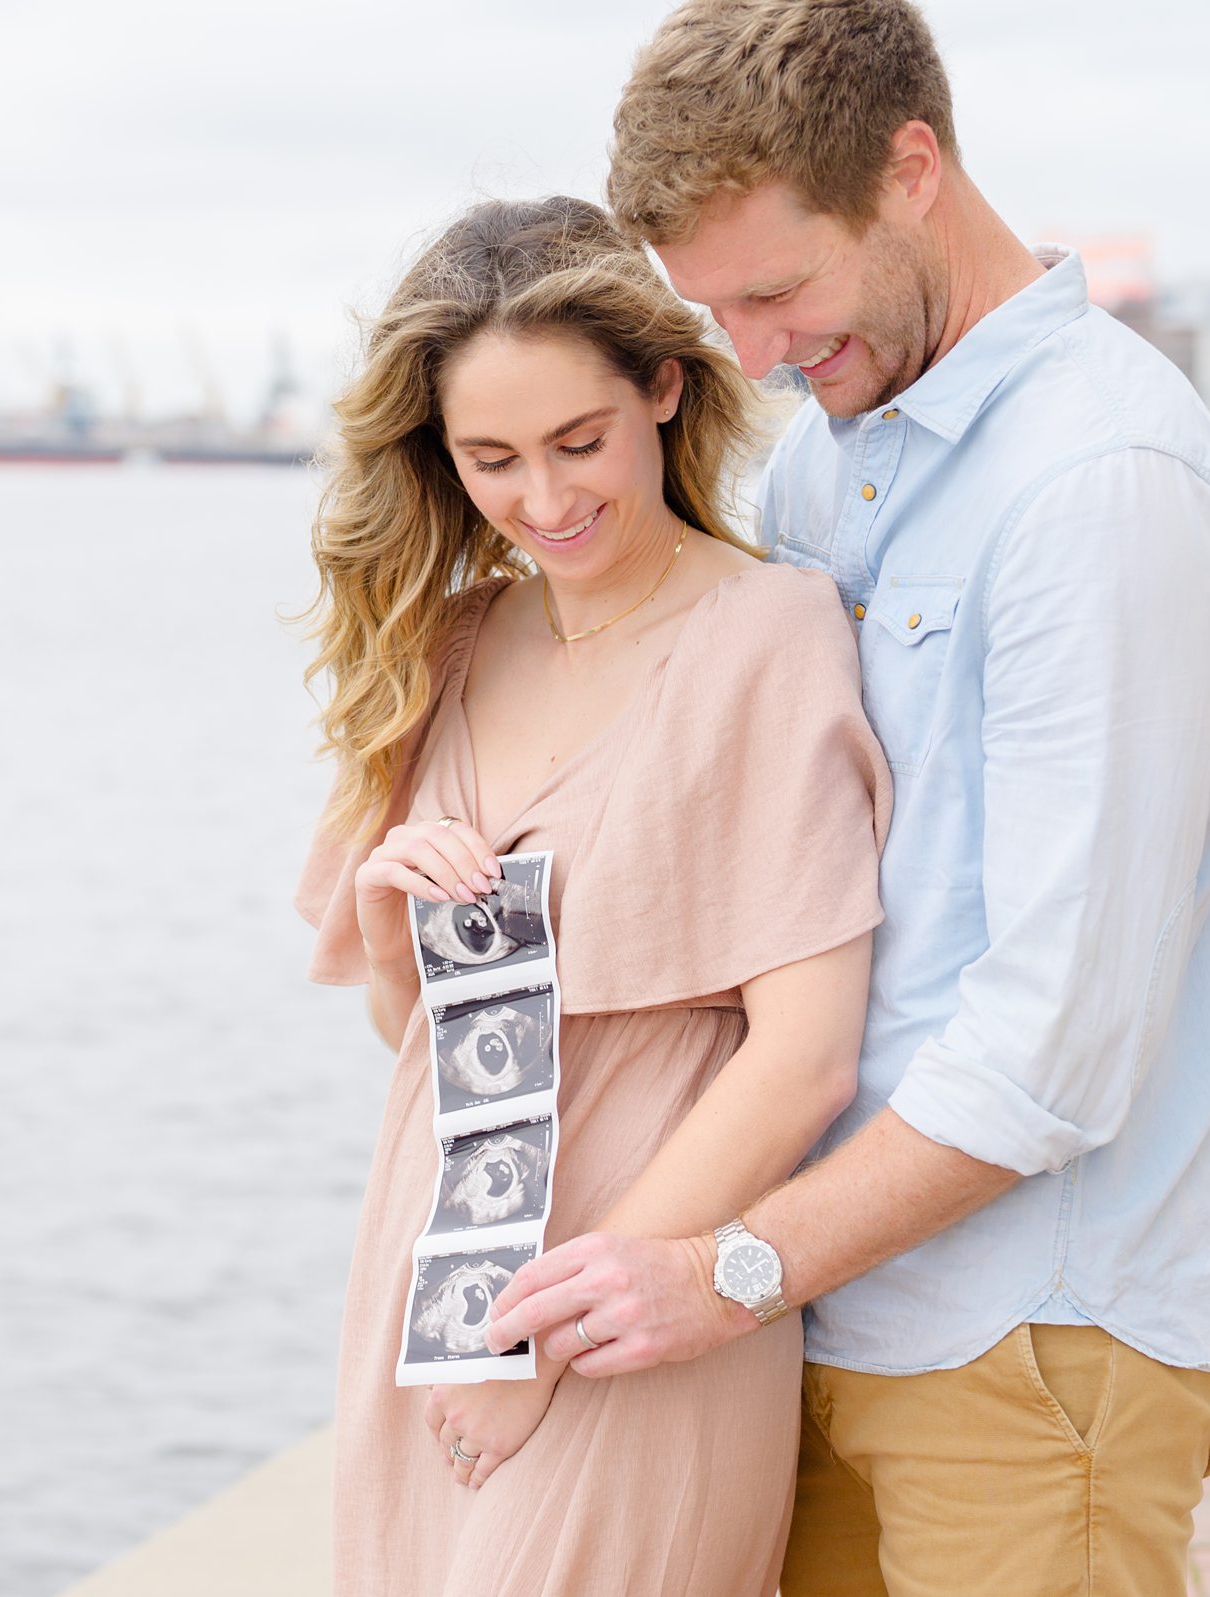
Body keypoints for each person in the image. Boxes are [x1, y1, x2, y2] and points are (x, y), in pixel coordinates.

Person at [484, 3, 1210, 1593]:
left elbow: (1060, 1045)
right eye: (719, 315)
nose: (761, 354)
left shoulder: (1101, 485)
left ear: (912, 169)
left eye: (779, 290)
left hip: (1032, 1339)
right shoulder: (823, 462)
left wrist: (728, 1266)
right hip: (816, 1310)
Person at [292, 194, 890, 1593]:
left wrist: (543, 1335)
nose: (546, 500)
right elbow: (423, 1053)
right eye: (491, 458)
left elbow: (803, 1059)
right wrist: (394, 925)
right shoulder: (444, 644)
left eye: (580, 441)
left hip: (635, 1297)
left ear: (664, 391)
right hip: (435, 1279)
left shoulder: (767, 635)